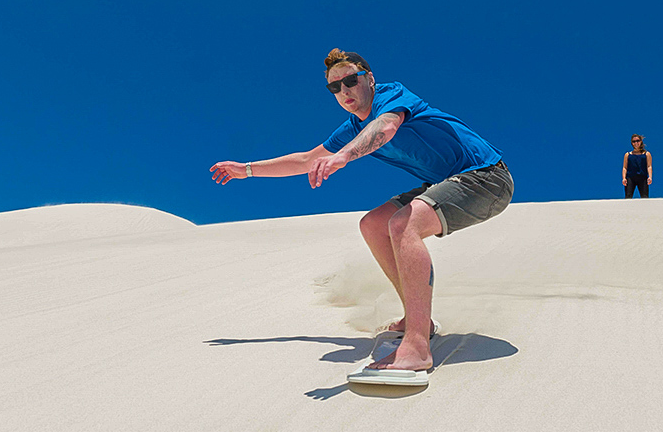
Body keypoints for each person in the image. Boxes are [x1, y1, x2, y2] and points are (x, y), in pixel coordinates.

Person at [210, 48, 513, 373]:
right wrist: (248, 169)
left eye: (350, 81)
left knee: (402, 225)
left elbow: (385, 128)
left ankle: (417, 348)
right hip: (445, 180)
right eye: (334, 88)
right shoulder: (353, 127)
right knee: (373, 224)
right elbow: (305, 160)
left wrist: (344, 156)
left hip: (487, 177)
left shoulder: (391, 96)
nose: (344, 92)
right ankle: (418, 321)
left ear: (369, 79)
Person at [622, 134, 652, 198]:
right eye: (634, 141)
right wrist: (624, 178)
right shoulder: (627, 155)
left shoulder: (647, 154)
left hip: (642, 177)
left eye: (637, 141)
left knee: (644, 196)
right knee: (628, 196)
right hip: (630, 177)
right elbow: (625, 167)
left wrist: (650, 177)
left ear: (641, 142)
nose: (636, 143)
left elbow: (649, 166)